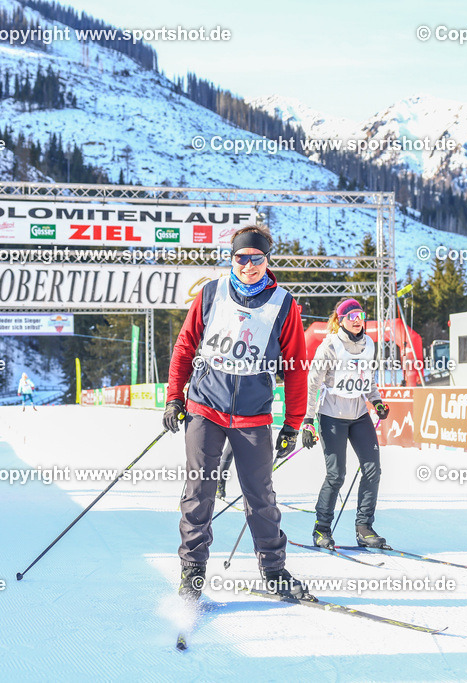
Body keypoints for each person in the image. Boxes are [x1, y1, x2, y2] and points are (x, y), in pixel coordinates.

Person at [162, 224, 313, 602]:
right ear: (232, 259)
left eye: (256, 258)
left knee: (261, 498)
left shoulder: (284, 303)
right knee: (199, 491)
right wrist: (173, 397)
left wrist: (293, 423)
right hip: (204, 409)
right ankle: (192, 573)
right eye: (242, 258)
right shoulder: (211, 293)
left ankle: (274, 571)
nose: (249, 265)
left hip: (253, 416)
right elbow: (185, 346)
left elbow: (296, 367)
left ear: (266, 260)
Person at [301, 298, 390, 550]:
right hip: (332, 416)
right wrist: (308, 420)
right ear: (341, 320)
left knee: (373, 469)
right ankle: (321, 529)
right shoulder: (329, 345)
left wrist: (377, 401)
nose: (356, 319)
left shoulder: (370, 344)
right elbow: (313, 383)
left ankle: (364, 528)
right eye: (350, 316)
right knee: (336, 474)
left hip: (359, 414)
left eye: (359, 314)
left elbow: (368, 379)